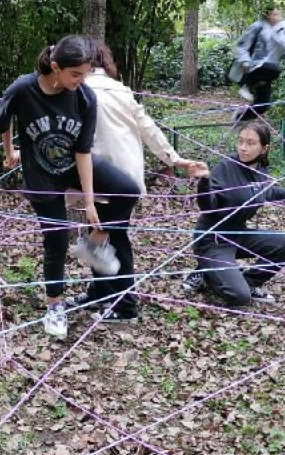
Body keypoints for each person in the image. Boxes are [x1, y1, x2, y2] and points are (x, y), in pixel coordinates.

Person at [0, 35, 141, 338]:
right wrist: (9, 153)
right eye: (75, 74)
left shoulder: (85, 97)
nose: (81, 80)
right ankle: (55, 306)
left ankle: (95, 243)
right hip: (41, 175)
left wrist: (89, 203)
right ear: (56, 67)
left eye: (86, 73)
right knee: (57, 237)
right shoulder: (23, 89)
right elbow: (3, 121)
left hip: (73, 166)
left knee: (127, 189)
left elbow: (83, 152)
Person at [69, 37, 207, 320]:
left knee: (114, 239)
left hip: (103, 175)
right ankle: (101, 292)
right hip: (124, 177)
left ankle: (126, 306)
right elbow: (148, 127)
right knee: (101, 237)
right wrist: (174, 159)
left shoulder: (78, 88)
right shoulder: (120, 89)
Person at [181, 120, 285, 306]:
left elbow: (268, 191)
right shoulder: (227, 167)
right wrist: (204, 181)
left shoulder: (261, 171)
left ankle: (250, 281)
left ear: (264, 148)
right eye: (240, 141)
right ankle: (207, 270)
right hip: (212, 240)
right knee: (239, 296)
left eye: (251, 143)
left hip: (238, 235)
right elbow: (208, 206)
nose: (243, 148)